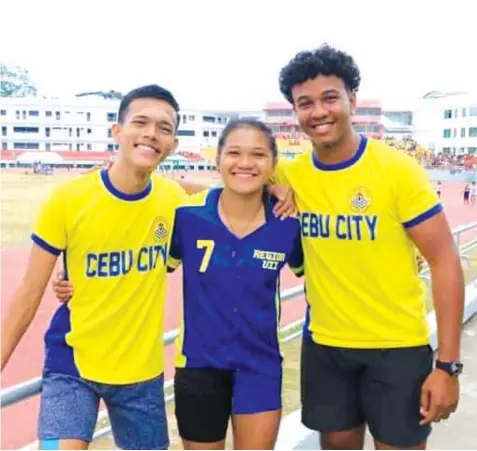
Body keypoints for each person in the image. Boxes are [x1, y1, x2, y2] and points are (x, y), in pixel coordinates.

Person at [52, 119, 304, 450]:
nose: (245, 163)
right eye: (234, 153)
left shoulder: (287, 225)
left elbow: (318, 276)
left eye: (258, 154)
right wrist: (71, 272)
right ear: (218, 161)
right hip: (198, 367)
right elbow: (135, 252)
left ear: (273, 165)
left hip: (260, 367)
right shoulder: (187, 217)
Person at [270, 44, 465, 450]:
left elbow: (444, 260)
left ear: (351, 101)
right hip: (326, 347)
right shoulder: (290, 174)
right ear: (295, 112)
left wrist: (447, 365)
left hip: (396, 349)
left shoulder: (396, 170)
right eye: (305, 103)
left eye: (329, 98)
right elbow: (229, 185)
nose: (319, 112)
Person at [1, 84, 188, 450]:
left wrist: (276, 187)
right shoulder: (69, 199)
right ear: (117, 132)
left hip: (141, 372)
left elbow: (228, 191)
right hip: (72, 364)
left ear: (173, 144)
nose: (151, 133)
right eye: (141, 122)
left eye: (164, 128)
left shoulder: (174, 201)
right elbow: (29, 292)